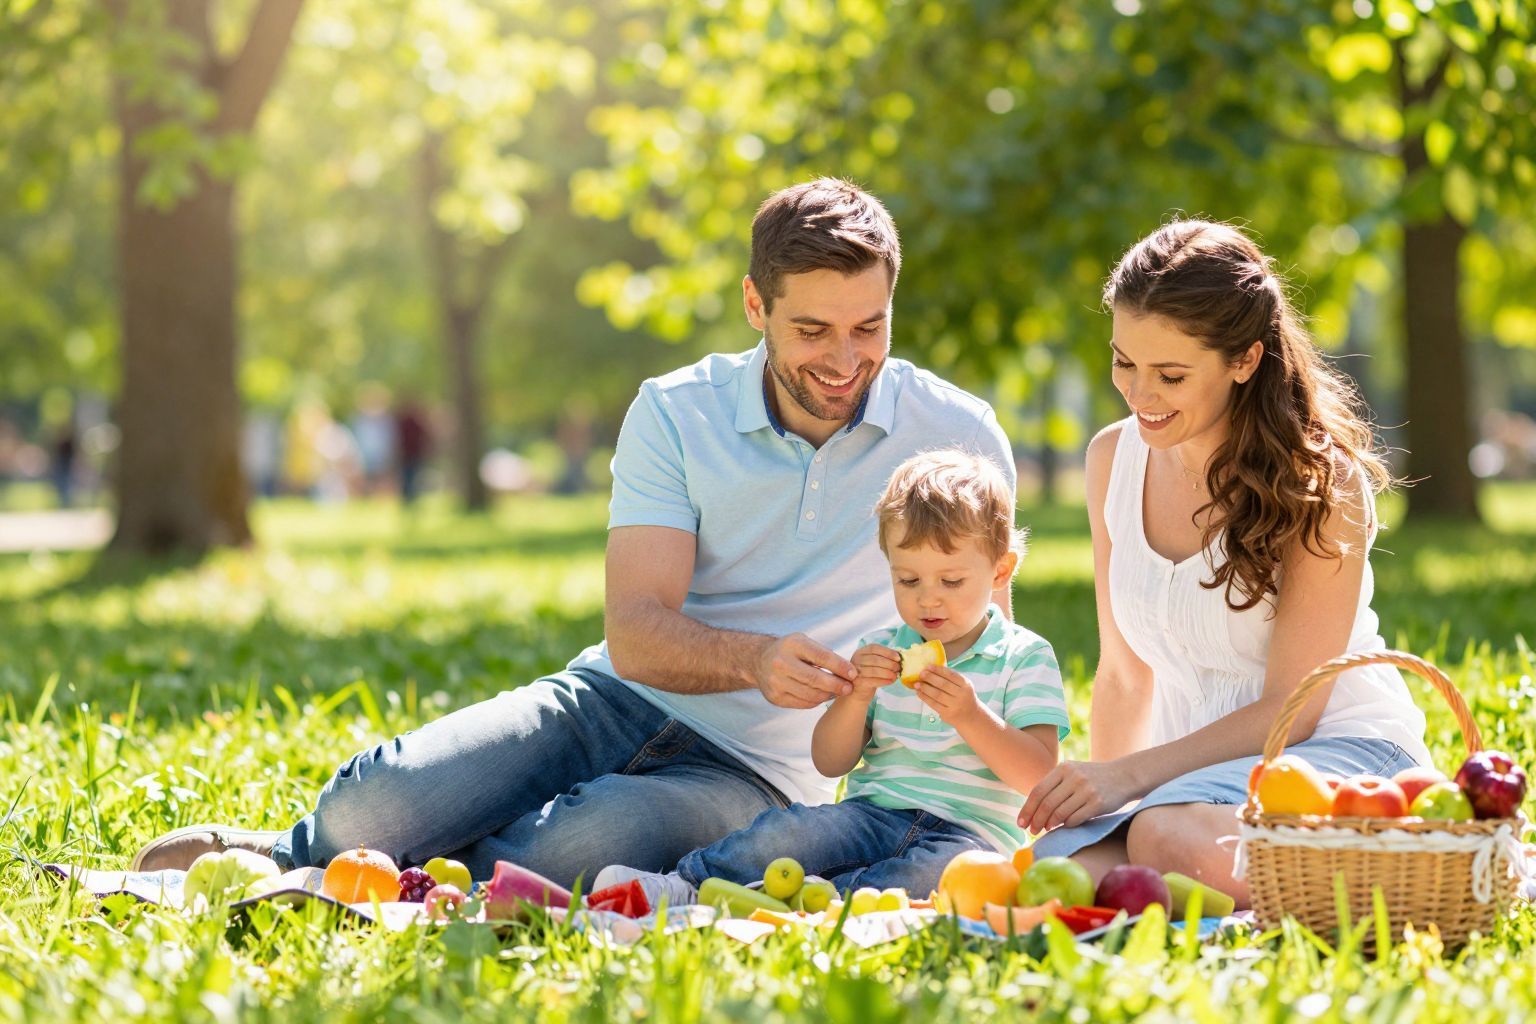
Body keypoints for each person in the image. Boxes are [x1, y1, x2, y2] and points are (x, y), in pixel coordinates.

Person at [129, 179, 1017, 886]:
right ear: (755, 304)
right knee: (373, 806)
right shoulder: (678, 412)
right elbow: (636, 632)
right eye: (812, 329)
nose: (845, 359)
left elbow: (990, 646)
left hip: (762, 772)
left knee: (574, 852)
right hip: (611, 699)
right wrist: (754, 660)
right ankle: (309, 854)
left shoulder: (960, 434)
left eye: (870, 327)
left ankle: (347, 881)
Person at [1020, 221, 1431, 905]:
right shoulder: (1111, 462)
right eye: (1124, 362)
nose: (1139, 394)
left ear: (1244, 359)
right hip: (1189, 786)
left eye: (1170, 374)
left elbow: (1291, 711)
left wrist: (1129, 778)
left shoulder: (1320, 484)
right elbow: (1124, 677)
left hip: (1334, 758)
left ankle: (1408, 881)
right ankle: (1281, 890)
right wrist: (1102, 788)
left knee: (1161, 842)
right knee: (1058, 875)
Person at [594, 450, 1066, 905]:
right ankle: (684, 887)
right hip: (871, 814)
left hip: (968, 839)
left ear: (1001, 570)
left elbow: (1040, 777)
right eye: (908, 580)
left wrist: (971, 716)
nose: (929, 600)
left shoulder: (1024, 657)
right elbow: (830, 761)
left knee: (920, 882)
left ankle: (821, 912)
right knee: (790, 832)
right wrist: (856, 697)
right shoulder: (881, 651)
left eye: (951, 581)